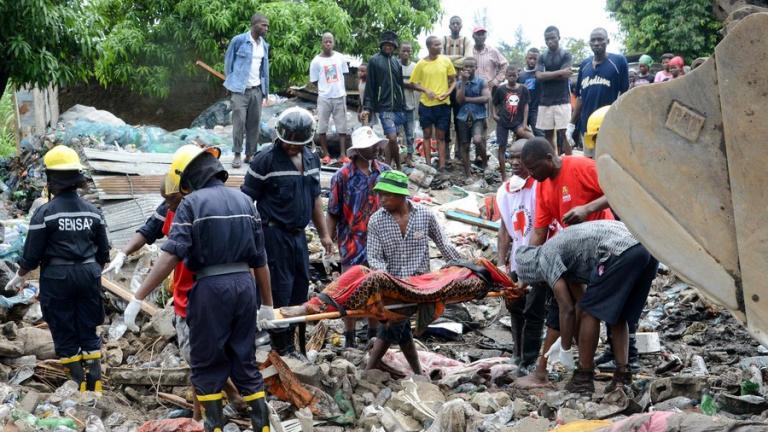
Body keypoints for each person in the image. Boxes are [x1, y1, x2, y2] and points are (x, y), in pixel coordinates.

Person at [122, 145, 273, 431]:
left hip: (211, 288)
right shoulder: (244, 201)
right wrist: (267, 304)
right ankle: (261, 428)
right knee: (245, 360)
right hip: (245, 287)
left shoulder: (191, 205)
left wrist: (138, 296)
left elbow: (171, 254)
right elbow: (260, 259)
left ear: (187, 178)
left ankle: (213, 426)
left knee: (206, 364)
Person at [109, 177, 246, 421]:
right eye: (167, 201)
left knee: (200, 356)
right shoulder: (171, 208)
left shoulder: (203, 209)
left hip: (205, 292)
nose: (169, 206)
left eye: (172, 200)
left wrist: (139, 297)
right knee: (197, 357)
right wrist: (123, 252)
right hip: (186, 290)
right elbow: (147, 230)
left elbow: (171, 255)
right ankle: (203, 411)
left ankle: (219, 406)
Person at [5, 146, 110, 393]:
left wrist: (20, 274)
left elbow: (32, 253)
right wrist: (91, 273)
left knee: (63, 325)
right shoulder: (93, 212)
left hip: (57, 277)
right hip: (88, 273)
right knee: (87, 325)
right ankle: (96, 385)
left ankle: (77, 385)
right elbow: (103, 253)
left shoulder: (45, 212)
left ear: (52, 179)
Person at [514, 137, 615, 389]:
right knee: (570, 307)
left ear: (549, 158)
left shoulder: (582, 167)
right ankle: (579, 368)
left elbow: (619, 190)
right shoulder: (542, 185)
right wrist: (526, 268)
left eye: (534, 168)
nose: (532, 175)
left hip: (605, 247)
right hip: (574, 253)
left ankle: (598, 365)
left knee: (586, 309)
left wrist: (587, 208)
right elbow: (538, 231)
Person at [515, 220, 658, 395]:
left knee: (589, 313)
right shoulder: (564, 254)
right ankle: (622, 376)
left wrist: (565, 348)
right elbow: (581, 299)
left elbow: (567, 309)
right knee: (618, 315)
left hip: (620, 251)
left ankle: (584, 377)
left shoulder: (545, 258)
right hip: (647, 249)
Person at [242, 107, 334, 356]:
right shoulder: (265, 160)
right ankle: (280, 347)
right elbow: (245, 201)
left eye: (298, 144)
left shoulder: (313, 159)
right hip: (273, 235)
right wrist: (250, 239)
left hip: (298, 237)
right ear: (279, 137)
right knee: (279, 289)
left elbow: (315, 198)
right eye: (288, 143)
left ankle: (294, 342)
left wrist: (324, 234)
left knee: (300, 288)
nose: (293, 148)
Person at [366, 170, 463, 374]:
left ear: (402, 196)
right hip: (392, 285)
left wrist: (463, 268)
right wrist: (387, 281)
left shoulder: (425, 215)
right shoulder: (376, 221)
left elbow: (444, 245)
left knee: (395, 324)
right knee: (396, 323)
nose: (381, 199)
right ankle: (410, 371)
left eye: (387, 195)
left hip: (421, 285)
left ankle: (371, 368)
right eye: (380, 194)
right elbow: (374, 257)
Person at [326, 126, 390, 347]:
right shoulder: (342, 176)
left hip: (379, 242)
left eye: (374, 146)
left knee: (376, 290)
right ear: (357, 151)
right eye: (369, 147)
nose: (374, 150)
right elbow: (333, 211)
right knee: (350, 289)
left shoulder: (384, 172)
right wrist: (329, 240)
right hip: (352, 242)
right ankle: (350, 338)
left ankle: (372, 334)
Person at [496, 139, 550, 374]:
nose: (516, 163)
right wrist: (501, 261)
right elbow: (505, 227)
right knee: (515, 306)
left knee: (534, 310)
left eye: (520, 158)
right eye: (512, 157)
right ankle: (517, 353)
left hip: (539, 258)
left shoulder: (541, 186)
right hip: (519, 257)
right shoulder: (506, 191)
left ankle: (528, 359)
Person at [569, 28, 629, 159]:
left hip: (609, 125)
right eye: (593, 40)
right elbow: (580, 97)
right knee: (590, 166)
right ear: (589, 43)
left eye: (600, 39)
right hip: (588, 128)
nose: (596, 43)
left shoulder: (618, 62)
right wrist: (571, 125)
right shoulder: (584, 65)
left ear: (607, 41)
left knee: (608, 164)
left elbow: (625, 94)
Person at [224, 13, 270, 168]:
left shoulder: (264, 45)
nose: (266, 28)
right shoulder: (239, 41)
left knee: (254, 124)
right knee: (239, 122)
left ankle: (249, 155)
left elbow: (265, 70)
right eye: (264, 25)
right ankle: (237, 154)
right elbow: (228, 63)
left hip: (257, 90)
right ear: (254, 24)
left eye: (267, 26)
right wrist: (229, 83)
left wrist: (265, 92)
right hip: (239, 90)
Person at [409, 35, 457, 175]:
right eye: (436, 45)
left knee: (441, 137)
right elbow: (413, 83)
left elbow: (453, 81)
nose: (439, 47)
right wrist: (426, 90)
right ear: (429, 47)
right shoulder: (421, 64)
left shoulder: (446, 61)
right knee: (427, 135)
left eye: (440, 44)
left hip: (443, 105)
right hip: (426, 105)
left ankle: (441, 167)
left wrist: (447, 93)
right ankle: (429, 165)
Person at [362, 30, 407, 170]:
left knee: (392, 140)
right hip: (384, 106)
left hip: (397, 107)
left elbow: (400, 85)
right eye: (386, 44)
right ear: (381, 45)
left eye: (391, 45)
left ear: (394, 47)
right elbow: (370, 86)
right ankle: (398, 166)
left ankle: (389, 166)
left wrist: (403, 104)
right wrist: (367, 107)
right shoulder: (374, 61)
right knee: (392, 138)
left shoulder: (396, 63)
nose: (388, 47)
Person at [310, 32, 350, 165]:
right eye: (325, 41)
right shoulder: (316, 61)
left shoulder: (340, 58)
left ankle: (343, 154)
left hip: (339, 96)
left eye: (330, 41)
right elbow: (314, 80)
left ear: (333, 43)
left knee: (342, 127)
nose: (328, 44)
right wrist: (324, 88)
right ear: (322, 43)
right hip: (324, 97)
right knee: (322, 126)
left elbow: (344, 74)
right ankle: (326, 154)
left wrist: (337, 88)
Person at [535, 26, 573, 155]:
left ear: (559, 38)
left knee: (565, 134)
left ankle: (569, 163)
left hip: (562, 100)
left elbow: (566, 75)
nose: (550, 41)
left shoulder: (565, 54)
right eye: (547, 39)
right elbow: (539, 76)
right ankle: (553, 163)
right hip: (545, 101)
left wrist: (548, 74)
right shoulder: (542, 57)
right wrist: (560, 72)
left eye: (552, 38)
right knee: (548, 135)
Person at [492, 65, 533, 181]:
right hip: (503, 122)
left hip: (517, 122)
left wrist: (525, 124)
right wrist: (494, 115)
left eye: (514, 75)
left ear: (518, 75)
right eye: (509, 76)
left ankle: (526, 170)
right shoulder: (501, 89)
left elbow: (526, 106)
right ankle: (504, 176)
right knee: (502, 147)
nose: (512, 78)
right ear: (505, 76)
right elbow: (494, 102)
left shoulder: (523, 89)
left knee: (532, 139)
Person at [442, 15, 473, 162]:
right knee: (445, 121)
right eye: (452, 23)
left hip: (460, 86)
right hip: (444, 86)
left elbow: (467, 60)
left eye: (457, 23)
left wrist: (447, 60)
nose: (455, 26)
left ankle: (460, 154)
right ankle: (446, 154)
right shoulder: (444, 40)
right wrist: (456, 59)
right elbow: (439, 60)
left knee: (460, 119)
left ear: (461, 26)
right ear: (449, 25)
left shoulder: (466, 40)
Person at [455, 57, 490, 177]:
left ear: (476, 68)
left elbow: (486, 98)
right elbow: (459, 100)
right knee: (464, 145)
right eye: (466, 67)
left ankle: (485, 162)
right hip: (463, 117)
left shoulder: (482, 82)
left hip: (478, 116)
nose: (468, 69)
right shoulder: (459, 83)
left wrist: (468, 99)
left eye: (471, 66)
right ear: (463, 68)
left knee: (477, 140)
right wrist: (464, 82)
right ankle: (468, 174)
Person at [472, 26, 508, 137]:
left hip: (488, 89)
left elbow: (505, 64)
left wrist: (496, 80)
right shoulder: (469, 50)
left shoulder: (492, 51)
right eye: (478, 34)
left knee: (485, 118)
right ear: (473, 36)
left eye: (483, 34)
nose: (481, 36)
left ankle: (484, 144)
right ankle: (477, 145)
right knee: (472, 118)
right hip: (471, 90)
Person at [399, 42, 418, 167]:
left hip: (410, 104)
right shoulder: (395, 65)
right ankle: (399, 157)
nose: (406, 53)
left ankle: (409, 157)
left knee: (410, 134)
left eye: (408, 51)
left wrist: (402, 83)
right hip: (397, 106)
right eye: (403, 51)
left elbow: (416, 84)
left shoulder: (415, 67)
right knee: (396, 134)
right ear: (399, 52)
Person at [518, 48, 543, 137]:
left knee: (539, 133)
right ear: (526, 58)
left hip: (536, 109)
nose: (532, 61)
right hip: (522, 109)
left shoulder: (541, 73)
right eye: (530, 58)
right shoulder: (520, 75)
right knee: (520, 134)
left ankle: (543, 150)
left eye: (535, 59)